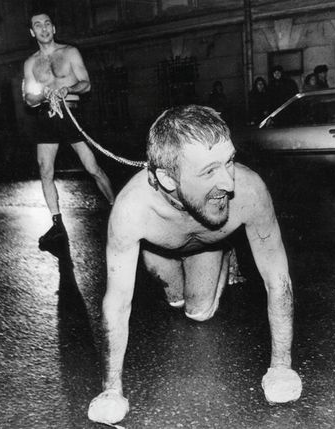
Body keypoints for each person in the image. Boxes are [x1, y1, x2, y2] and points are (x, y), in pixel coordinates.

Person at [87, 105, 302, 425]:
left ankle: (222, 251)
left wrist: (281, 367)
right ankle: (189, 257)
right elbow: (117, 301)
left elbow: (277, 278)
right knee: (174, 300)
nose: (229, 183)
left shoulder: (250, 190)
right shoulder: (132, 209)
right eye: (208, 171)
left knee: (198, 312)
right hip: (162, 248)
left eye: (229, 161)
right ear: (166, 178)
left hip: (208, 244)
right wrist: (111, 390)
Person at [22, 9, 115, 255]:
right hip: (46, 117)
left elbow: (86, 84)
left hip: (71, 114)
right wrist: (41, 95)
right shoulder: (30, 63)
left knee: (92, 167)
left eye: (47, 24)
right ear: (32, 32)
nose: (43, 28)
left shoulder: (70, 52)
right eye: (38, 25)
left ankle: (116, 208)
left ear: (53, 28)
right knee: (45, 171)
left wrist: (69, 89)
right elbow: (29, 99)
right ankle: (57, 225)